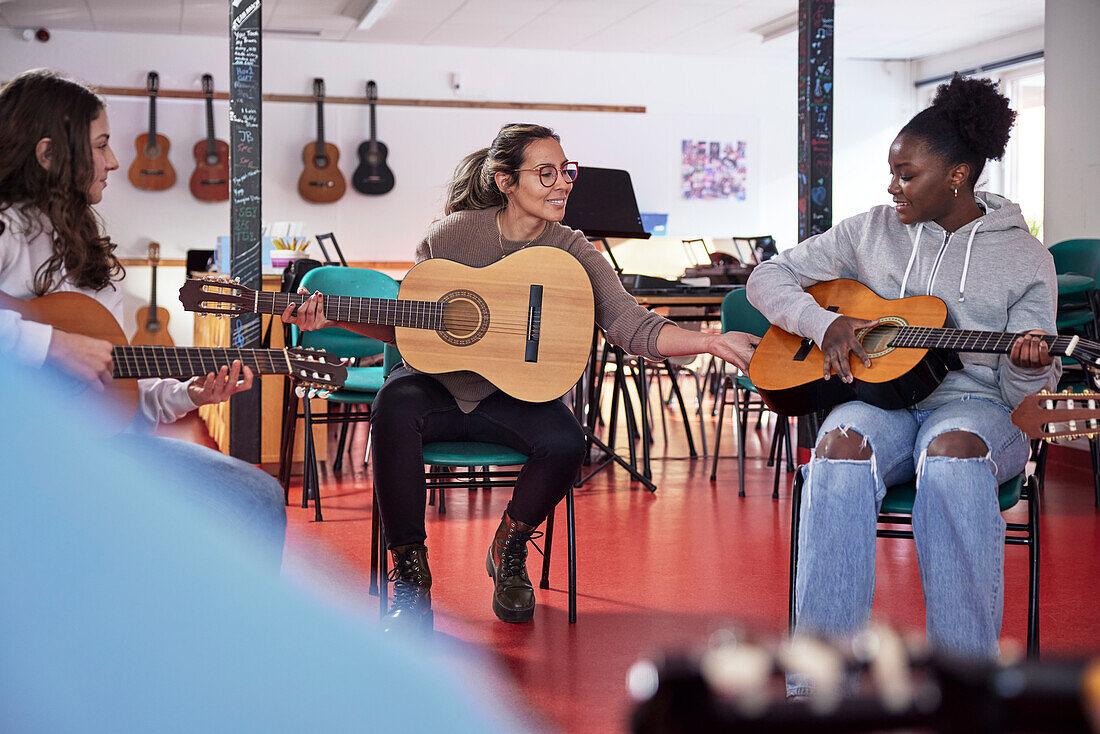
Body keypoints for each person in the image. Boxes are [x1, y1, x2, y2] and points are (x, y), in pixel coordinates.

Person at [284, 122, 759, 631]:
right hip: (436, 389)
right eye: (546, 173)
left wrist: (711, 340)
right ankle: (410, 570)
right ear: (506, 180)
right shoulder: (453, 235)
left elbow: (630, 324)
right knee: (393, 407)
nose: (563, 184)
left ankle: (510, 544)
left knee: (565, 440)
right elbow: (407, 325)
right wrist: (330, 317)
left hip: (511, 395)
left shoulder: (575, 252)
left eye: (566, 172)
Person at [746, 74, 1059, 674]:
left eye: (906, 174)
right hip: (877, 400)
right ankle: (818, 681)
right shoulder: (870, 230)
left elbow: (1028, 398)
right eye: (892, 172)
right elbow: (768, 276)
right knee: (835, 452)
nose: (892, 187)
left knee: (951, 455)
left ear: (957, 176)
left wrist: (1030, 366)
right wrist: (821, 324)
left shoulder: (1025, 258)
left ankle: (964, 682)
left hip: (980, 407)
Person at [0, 68, 286, 566]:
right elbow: (55, 352)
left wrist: (188, 394)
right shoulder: (6, 228)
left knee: (255, 495)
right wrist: (52, 345)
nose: (113, 161)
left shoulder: (85, 253)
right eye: (101, 144)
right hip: (23, 461)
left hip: (95, 454)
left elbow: (120, 398)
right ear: (48, 155)